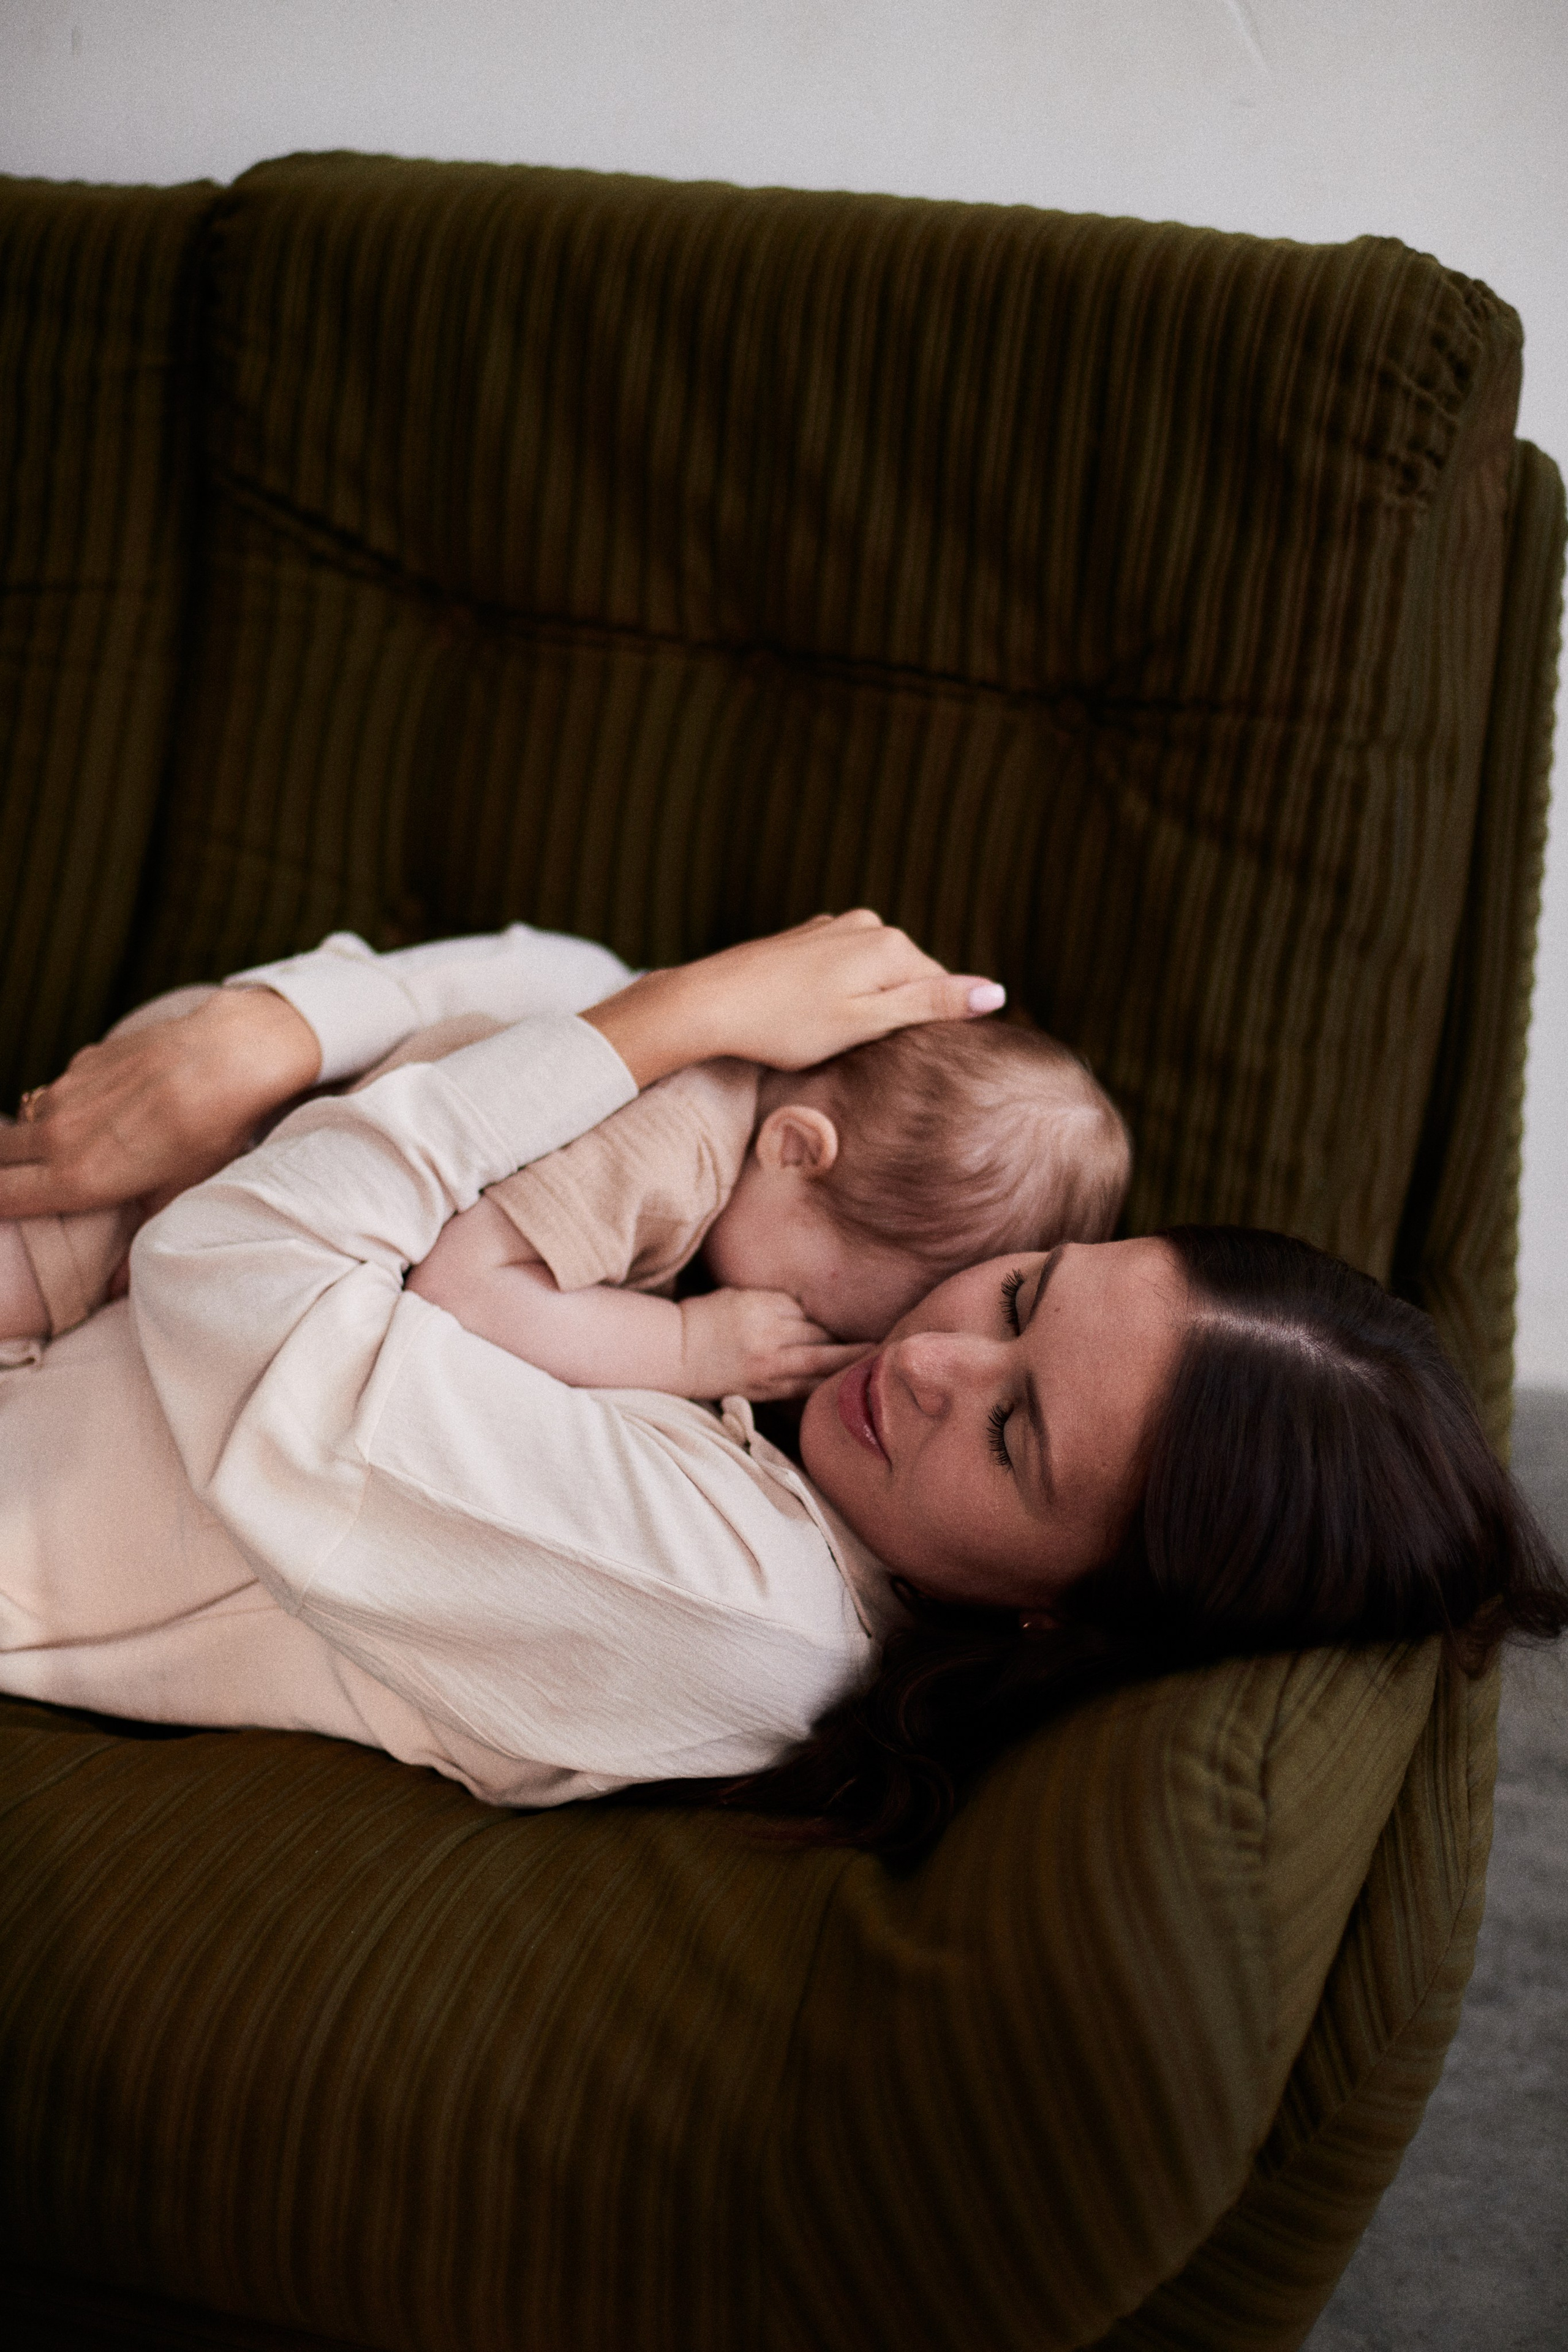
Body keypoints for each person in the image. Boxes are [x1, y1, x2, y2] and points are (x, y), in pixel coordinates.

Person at [2, 914, 1564, 1851]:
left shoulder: (731, 1604)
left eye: (1014, 1435)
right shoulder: (794, 1398)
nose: (932, 1356)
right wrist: (274, 1032)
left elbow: (236, 1264)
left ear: (1061, 1616)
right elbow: (568, 972)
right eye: (1020, 1295)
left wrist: (682, 1013)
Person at [1, 969, 1131, 1406]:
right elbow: (459, 1287)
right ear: (796, 1150)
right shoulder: (673, 1150)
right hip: (202, 1156)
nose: (818, 1335)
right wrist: (689, 1351)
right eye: (836, 1308)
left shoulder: (720, 1115)